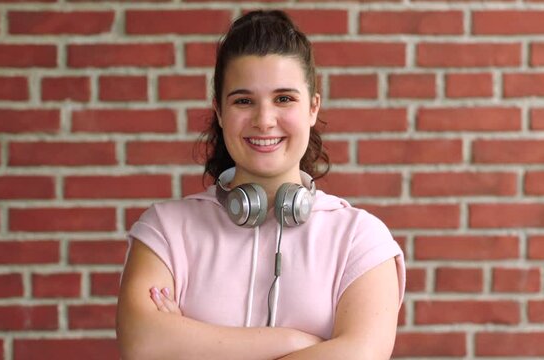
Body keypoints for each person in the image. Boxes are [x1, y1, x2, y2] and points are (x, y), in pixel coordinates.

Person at [117, 10, 405, 360]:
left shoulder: (360, 240)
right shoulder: (165, 231)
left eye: (284, 98)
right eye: (243, 101)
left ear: (313, 107)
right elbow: (143, 345)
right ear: (220, 113)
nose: (264, 120)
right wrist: (298, 343)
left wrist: (191, 344)